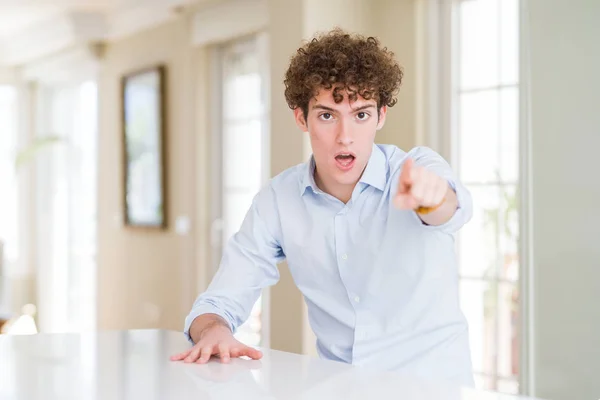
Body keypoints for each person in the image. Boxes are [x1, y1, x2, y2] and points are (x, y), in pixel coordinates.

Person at [171, 28, 474, 387]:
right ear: (302, 118)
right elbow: (218, 302)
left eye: (360, 115)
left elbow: (450, 209)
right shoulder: (278, 201)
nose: (345, 136)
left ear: (381, 116)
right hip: (341, 388)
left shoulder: (418, 169)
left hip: (435, 389)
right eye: (327, 116)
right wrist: (213, 331)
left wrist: (432, 199)